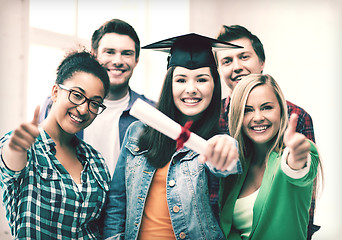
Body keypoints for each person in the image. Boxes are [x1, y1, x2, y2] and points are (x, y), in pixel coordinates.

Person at [102, 33, 243, 240]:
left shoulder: (219, 139)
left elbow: (226, 164)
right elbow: (117, 202)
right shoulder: (137, 133)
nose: (191, 89)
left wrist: (226, 150)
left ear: (215, 85)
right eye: (181, 80)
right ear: (170, 84)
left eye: (202, 79)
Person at [215, 24, 319, 239]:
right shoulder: (212, 118)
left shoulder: (295, 116)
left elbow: (301, 181)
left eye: (244, 56)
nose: (236, 67)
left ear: (261, 62)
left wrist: (298, 156)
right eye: (227, 61)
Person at [0, 50, 111, 239]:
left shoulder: (96, 161)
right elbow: (11, 163)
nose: (84, 109)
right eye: (77, 95)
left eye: (94, 103)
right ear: (56, 92)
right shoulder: (27, 148)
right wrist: (15, 148)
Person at [39, 19, 154, 177]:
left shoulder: (151, 113)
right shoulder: (58, 104)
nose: (118, 61)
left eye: (127, 53)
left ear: (136, 60)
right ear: (94, 55)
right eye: (109, 52)